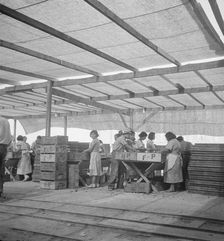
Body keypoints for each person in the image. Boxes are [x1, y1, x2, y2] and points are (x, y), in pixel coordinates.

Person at [0, 116, 12, 198]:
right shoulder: (5, 120)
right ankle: (0, 190)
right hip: (4, 147)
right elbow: (10, 137)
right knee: (1, 169)